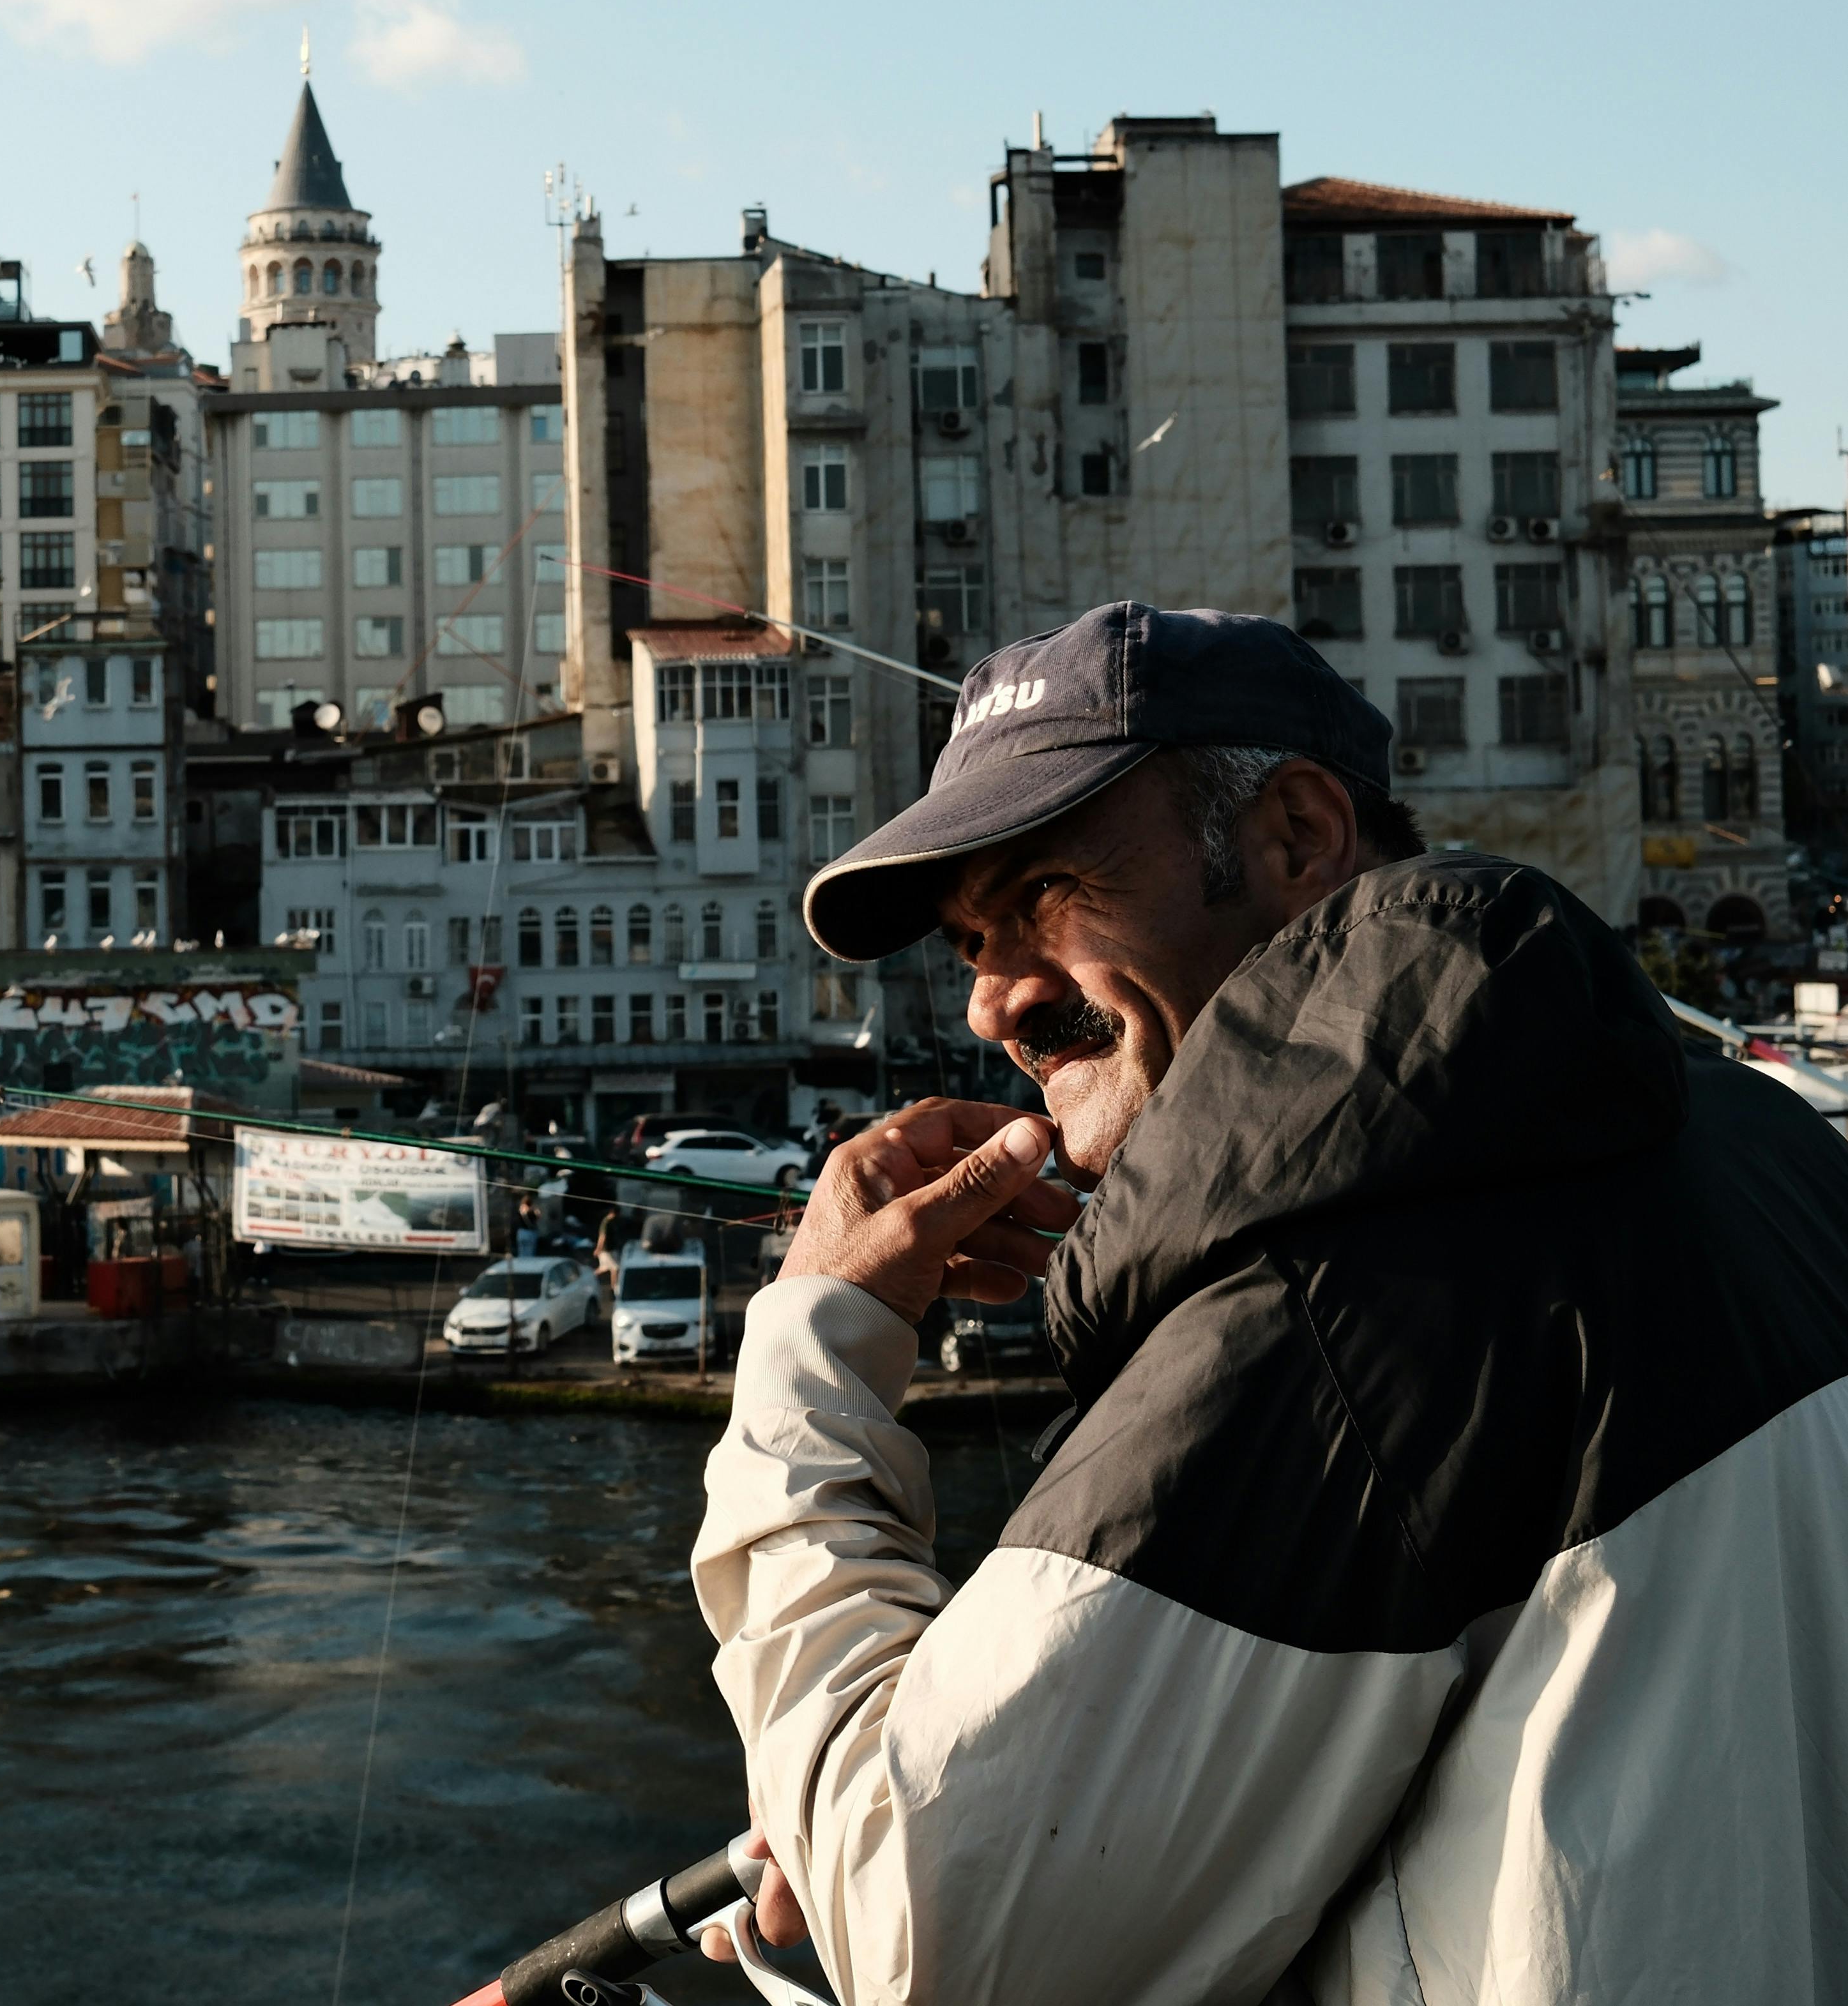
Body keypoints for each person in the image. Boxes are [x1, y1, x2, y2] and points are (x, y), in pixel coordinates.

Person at [692, 600, 1848, 2003]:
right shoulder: (1766, 1142)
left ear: (1297, 837)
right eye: (967, 941)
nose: (991, 1002)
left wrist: (813, 1347)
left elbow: (924, 1932)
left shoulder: (1330, 1296)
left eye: (1045, 891)